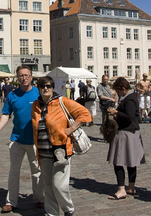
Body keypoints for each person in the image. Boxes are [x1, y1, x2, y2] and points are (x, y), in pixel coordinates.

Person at [31, 76, 90, 216]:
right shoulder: (35, 105)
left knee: (59, 185)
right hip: (43, 151)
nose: (46, 88)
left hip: (60, 151)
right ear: (38, 88)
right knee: (48, 186)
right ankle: (51, 213)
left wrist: (71, 128)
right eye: (43, 86)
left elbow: (85, 114)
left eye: (49, 86)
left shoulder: (62, 101)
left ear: (53, 88)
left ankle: (68, 209)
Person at [0, 65, 44, 213]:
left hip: (35, 140)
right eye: (21, 75)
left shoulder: (39, 93)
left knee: (37, 171)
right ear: (17, 78)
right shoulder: (12, 95)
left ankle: (39, 198)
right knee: (14, 171)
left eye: (27, 75)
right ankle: (11, 201)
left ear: (31, 77)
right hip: (17, 139)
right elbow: (6, 114)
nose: (24, 78)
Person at [106, 77, 145, 200]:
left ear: (123, 89)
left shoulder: (129, 99)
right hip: (131, 133)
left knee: (118, 161)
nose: (117, 93)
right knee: (131, 162)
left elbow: (129, 117)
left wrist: (115, 113)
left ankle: (121, 189)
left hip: (126, 133)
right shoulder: (130, 98)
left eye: (118, 91)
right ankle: (131, 187)